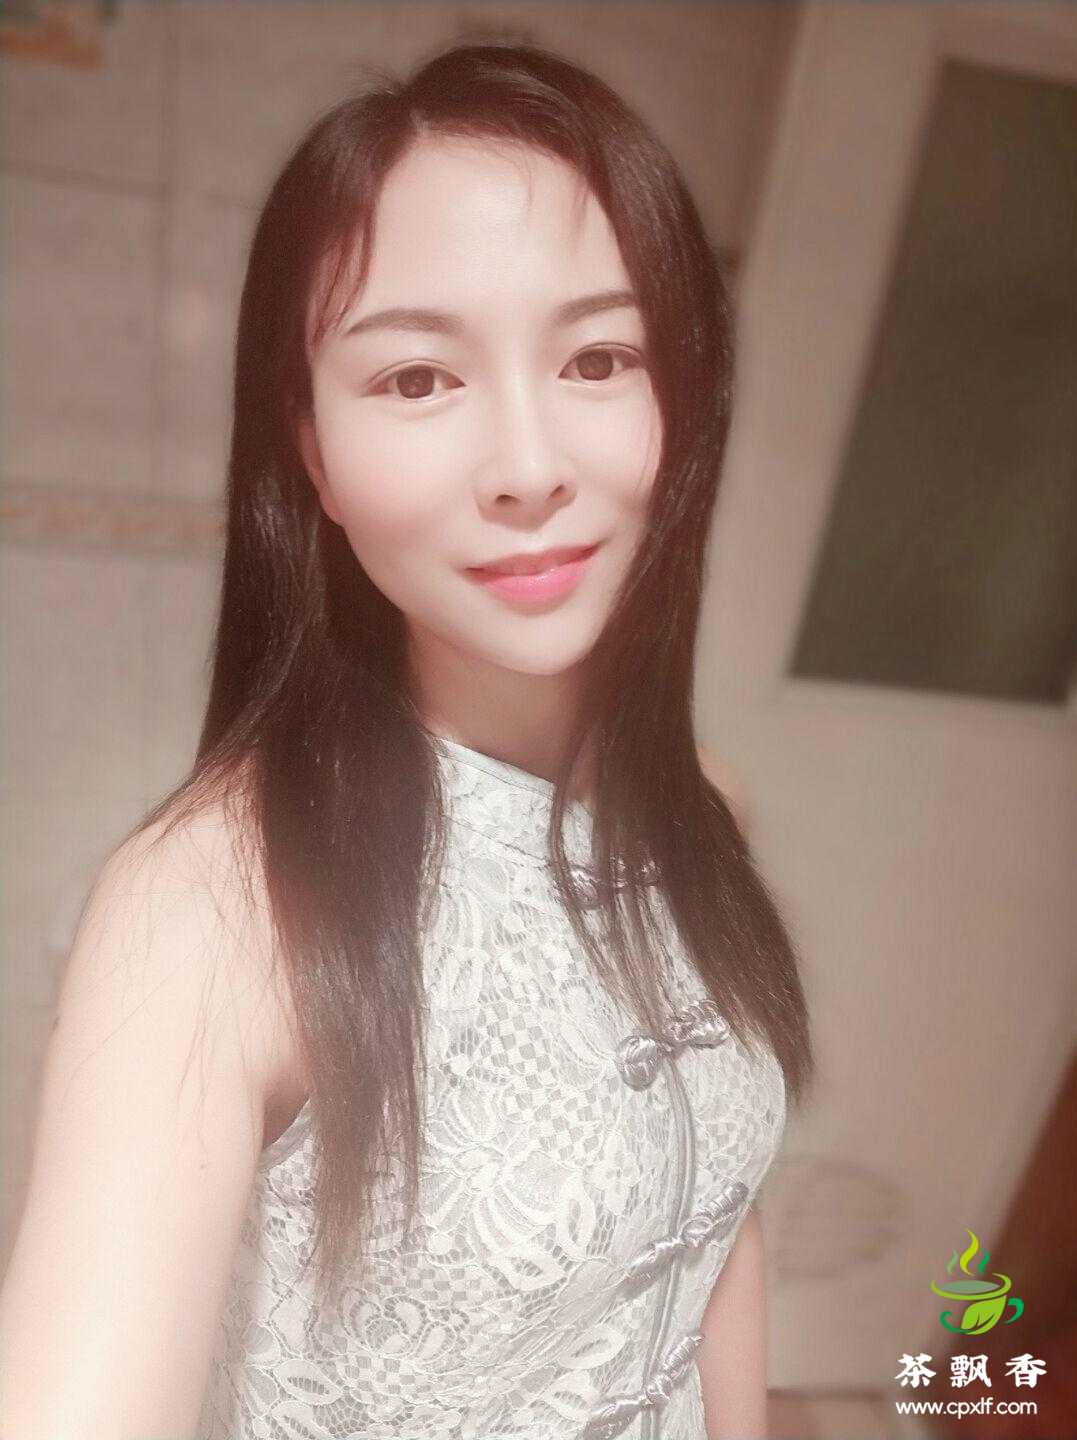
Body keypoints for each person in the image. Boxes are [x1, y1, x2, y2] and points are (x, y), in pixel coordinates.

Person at [0, 39, 814, 1440]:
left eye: (600, 357)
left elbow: (712, 1234)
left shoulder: (704, 813)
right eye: (420, 379)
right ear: (311, 448)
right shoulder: (211, 907)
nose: (529, 466)